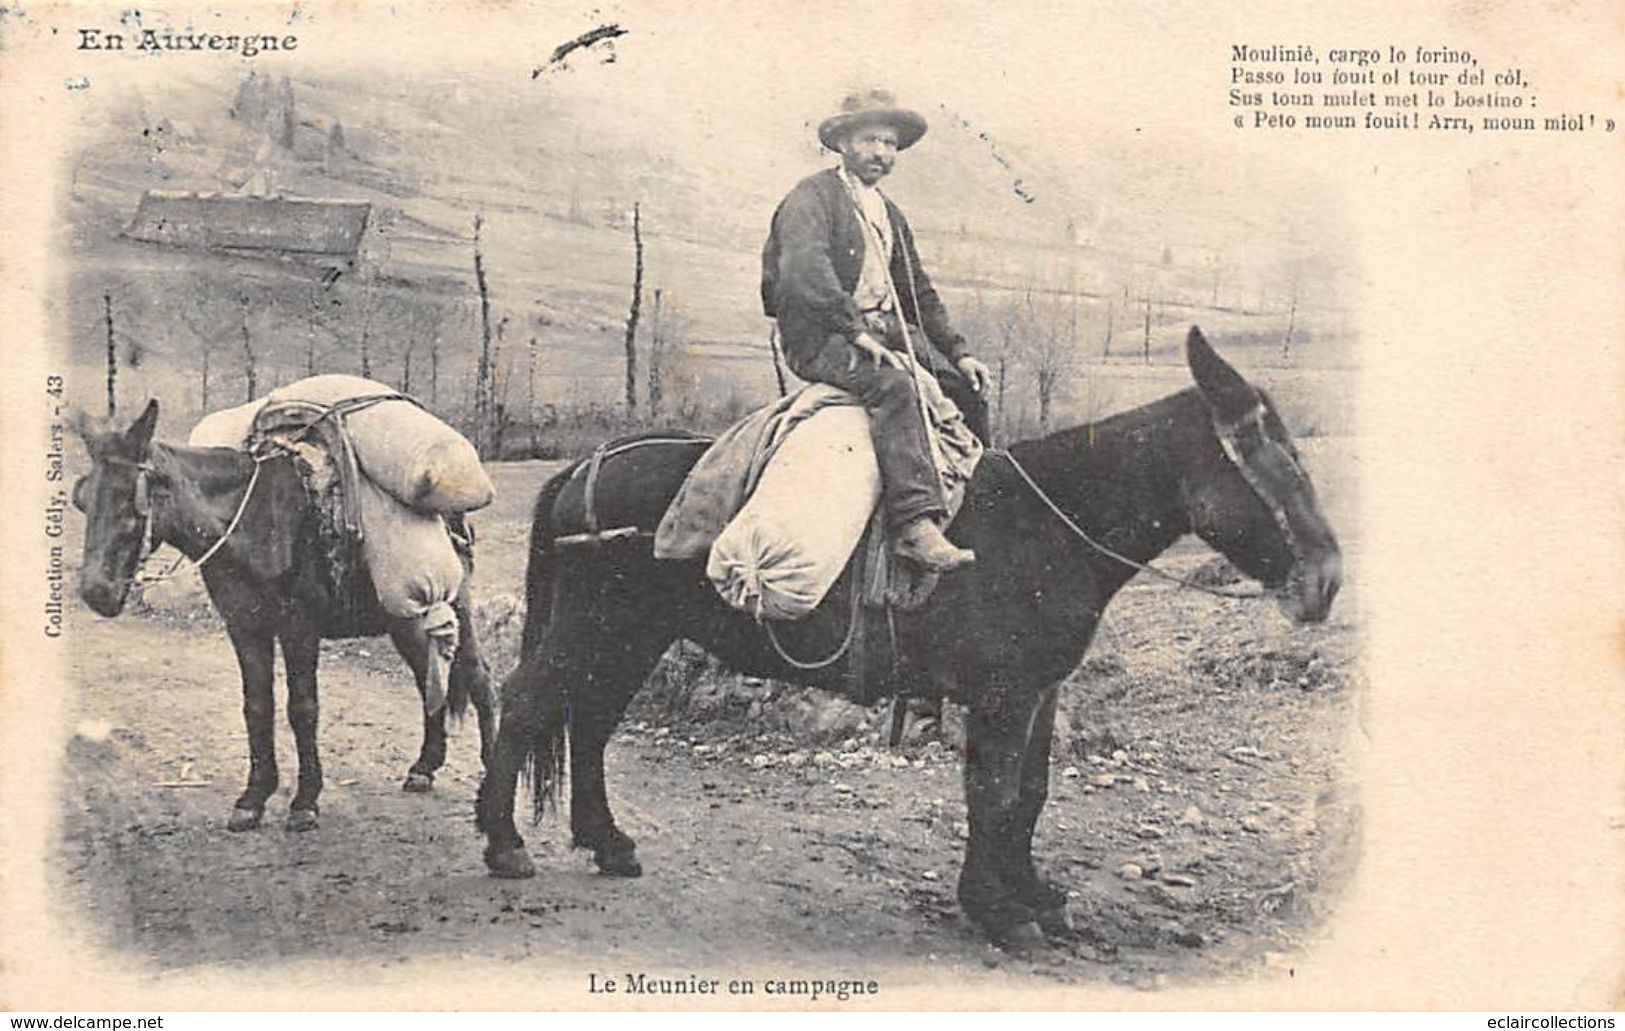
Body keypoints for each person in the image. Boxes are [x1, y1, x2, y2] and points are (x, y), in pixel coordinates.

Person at [760, 89, 992, 573]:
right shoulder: (812, 198)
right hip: (820, 338)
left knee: (963, 389)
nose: (882, 154)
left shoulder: (887, 211)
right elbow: (803, 272)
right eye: (871, 140)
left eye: (890, 144)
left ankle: (977, 512)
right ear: (843, 141)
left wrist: (958, 351)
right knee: (894, 386)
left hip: (881, 330)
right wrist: (853, 331)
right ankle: (914, 525)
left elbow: (917, 291)